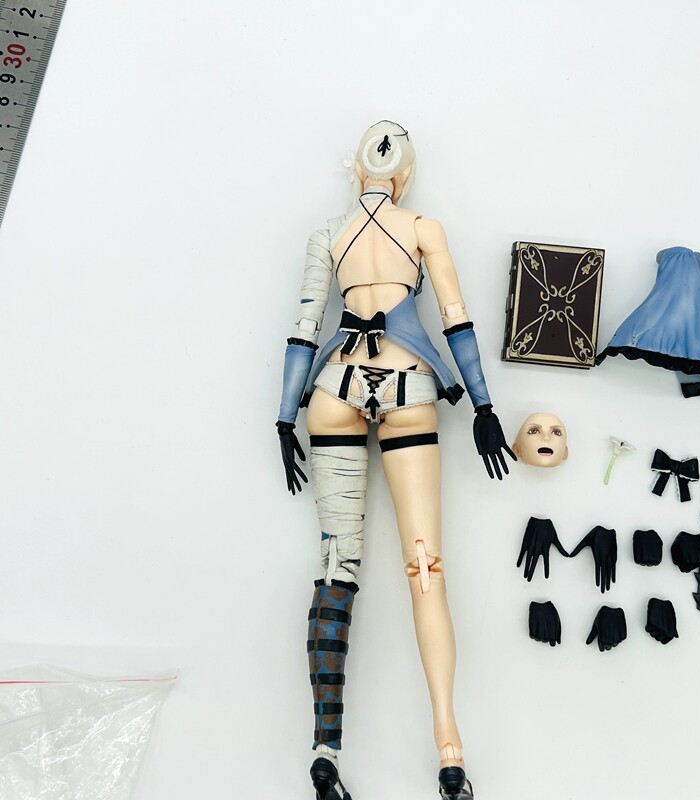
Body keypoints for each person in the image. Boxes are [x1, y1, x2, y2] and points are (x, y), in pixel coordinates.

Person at [276, 120, 514, 800]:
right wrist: (484, 406)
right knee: (425, 567)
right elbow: (456, 319)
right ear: (404, 176)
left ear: (358, 171)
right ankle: (450, 753)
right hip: (408, 383)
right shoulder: (423, 228)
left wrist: (284, 415)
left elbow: (304, 327)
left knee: (336, 564)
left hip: (334, 389)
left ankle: (325, 751)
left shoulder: (328, 234)